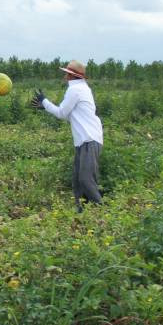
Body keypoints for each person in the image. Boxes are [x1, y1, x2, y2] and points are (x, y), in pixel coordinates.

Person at [31, 60, 104, 212]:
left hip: (88, 138)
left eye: (66, 73)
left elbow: (61, 113)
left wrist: (44, 101)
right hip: (85, 139)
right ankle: (82, 212)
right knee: (78, 180)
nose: (64, 76)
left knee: (85, 179)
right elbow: (69, 115)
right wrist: (45, 107)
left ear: (71, 76)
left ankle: (101, 211)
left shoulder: (75, 90)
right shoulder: (82, 88)